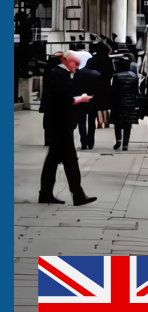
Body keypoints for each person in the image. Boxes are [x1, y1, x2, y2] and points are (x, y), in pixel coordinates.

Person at [38, 52, 96, 205]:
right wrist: (79, 99)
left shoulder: (57, 73)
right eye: (75, 64)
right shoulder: (58, 74)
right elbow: (62, 100)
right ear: (65, 61)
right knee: (70, 160)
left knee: (53, 161)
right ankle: (77, 195)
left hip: (58, 124)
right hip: (61, 124)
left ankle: (46, 194)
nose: (77, 67)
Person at [110, 56, 141, 151]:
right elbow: (136, 91)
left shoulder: (117, 76)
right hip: (130, 103)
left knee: (117, 123)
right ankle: (125, 144)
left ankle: (118, 141)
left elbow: (114, 92)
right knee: (128, 123)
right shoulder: (134, 76)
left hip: (118, 103)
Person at [74, 57, 101, 151]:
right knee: (91, 122)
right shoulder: (97, 74)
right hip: (92, 101)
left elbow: (75, 86)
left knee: (81, 121)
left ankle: (83, 142)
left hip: (81, 100)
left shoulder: (79, 72)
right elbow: (98, 90)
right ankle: (91, 142)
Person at [88, 40, 114, 132]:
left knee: (97, 104)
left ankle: (99, 122)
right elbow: (111, 72)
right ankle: (106, 121)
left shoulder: (92, 60)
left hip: (95, 84)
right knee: (105, 103)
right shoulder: (108, 60)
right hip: (106, 84)